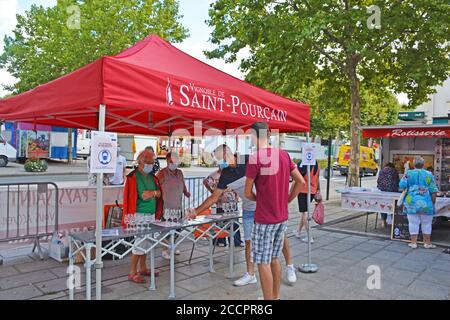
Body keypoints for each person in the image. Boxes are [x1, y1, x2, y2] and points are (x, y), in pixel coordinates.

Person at [244, 122, 305, 300]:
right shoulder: (284, 155)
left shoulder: (255, 158)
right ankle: (275, 297)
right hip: (281, 217)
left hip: (264, 219)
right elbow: (300, 181)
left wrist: (259, 199)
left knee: (262, 262)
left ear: (255, 136)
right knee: (274, 258)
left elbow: (247, 192)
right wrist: (286, 200)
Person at [123, 149, 163, 283]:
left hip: (151, 214)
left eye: (152, 162)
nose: (151, 165)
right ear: (141, 162)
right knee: (139, 243)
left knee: (147, 242)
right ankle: (132, 272)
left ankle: (143, 268)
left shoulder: (152, 177)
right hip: (139, 214)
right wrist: (154, 193)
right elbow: (144, 195)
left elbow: (158, 193)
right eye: (149, 162)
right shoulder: (134, 176)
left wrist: (153, 193)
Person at [156, 152, 190, 259]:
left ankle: (173, 246)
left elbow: (183, 184)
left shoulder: (180, 172)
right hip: (166, 206)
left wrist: (186, 192)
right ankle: (165, 249)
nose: (173, 163)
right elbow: (156, 186)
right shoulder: (162, 173)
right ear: (167, 161)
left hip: (178, 206)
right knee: (166, 229)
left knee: (177, 228)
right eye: (171, 161)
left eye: (175, 161)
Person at [399, 156, 439, 249]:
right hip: (426, 202)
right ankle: (427, 243)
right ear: (423, 164)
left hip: (411, 202)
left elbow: (402, 185)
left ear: (413, 164)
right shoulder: (429, 174)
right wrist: (433, 202)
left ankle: (413, 243)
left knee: (413, 223)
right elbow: (433, 190)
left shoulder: (408, 173)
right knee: (427, 223)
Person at [203, 164, 242, 247]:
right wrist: (212, 191)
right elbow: (205, 182)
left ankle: (237, 241)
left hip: (232, 201)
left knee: (234, 222)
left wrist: (237, 195)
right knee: (220, 223)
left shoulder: (231, 173)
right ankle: (220, 241)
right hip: (221, 203)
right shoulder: (213, 175)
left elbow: (238, 185)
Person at [294, 160, 321, 243]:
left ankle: (309, 237)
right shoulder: (317, 164)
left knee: (304, 212)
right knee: (304, 212)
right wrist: (318, 190)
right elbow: (317, 179)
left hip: (303, 190)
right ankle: (298, 231)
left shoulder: (302, 164)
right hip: (312, 190)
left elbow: (297, 178)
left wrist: (291, 191)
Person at [377, 162, 400, 227]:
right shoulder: (394, 171)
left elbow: (378, 181)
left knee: (383, 205)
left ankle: (383, 222)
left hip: (383, 191)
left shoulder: (382, 171)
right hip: (392, 191)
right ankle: (393, 221)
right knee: (393, 206)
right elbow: (397, 181)